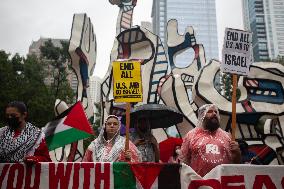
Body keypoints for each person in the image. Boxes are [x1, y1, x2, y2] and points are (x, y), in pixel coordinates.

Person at [179, 104, 241, 177]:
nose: (214, 113)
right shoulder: (191, 135)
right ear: (202, 115)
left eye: (215, 112)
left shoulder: (227, 136)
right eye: (210, 111)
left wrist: (238, 152)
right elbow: (184, 161)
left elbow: (236, 163)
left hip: (222, 182)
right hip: (199, 182)